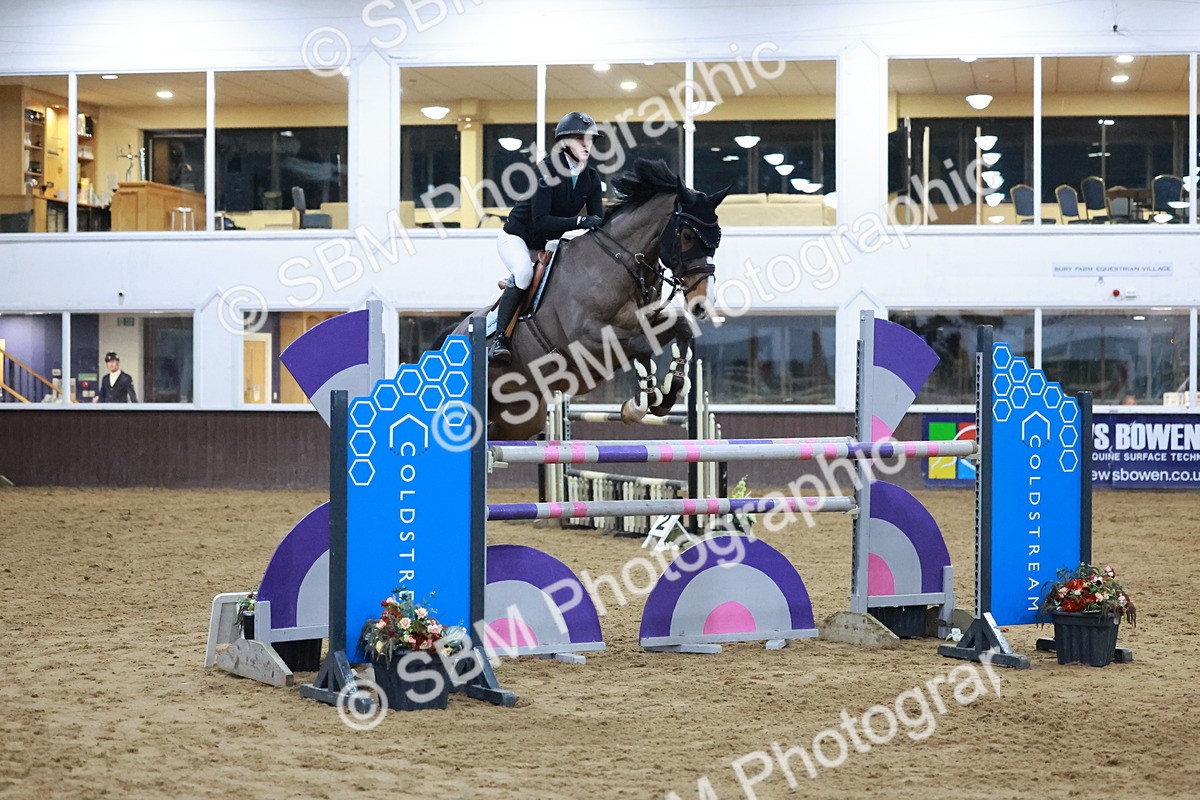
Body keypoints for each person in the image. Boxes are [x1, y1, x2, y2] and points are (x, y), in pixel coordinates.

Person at [489, 111, 606, 365]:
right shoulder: (546, 170)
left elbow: (597, 222)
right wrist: (580, 222)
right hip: (517, 238)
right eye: (580, 139)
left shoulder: (591, 178)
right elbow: (541, 222)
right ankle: (500, 339)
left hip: (548, 243)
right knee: (522, 273)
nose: (587, 145)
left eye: (590, 140)